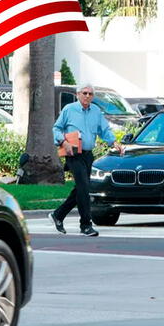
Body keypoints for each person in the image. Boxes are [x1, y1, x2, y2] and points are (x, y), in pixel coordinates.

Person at [49, 83, 124, 237]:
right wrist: (64, 142)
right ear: (78, 94)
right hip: (73, 153)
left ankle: (58, 215)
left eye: (90, 94)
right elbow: (56, 129)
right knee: (83, 188)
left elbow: (104, 129)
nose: (87, 96)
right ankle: (85, 225)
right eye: (85, 93)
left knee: (81, 188)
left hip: (88, 154)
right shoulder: (69, 109)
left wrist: (114, 143)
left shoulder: (96, 111)